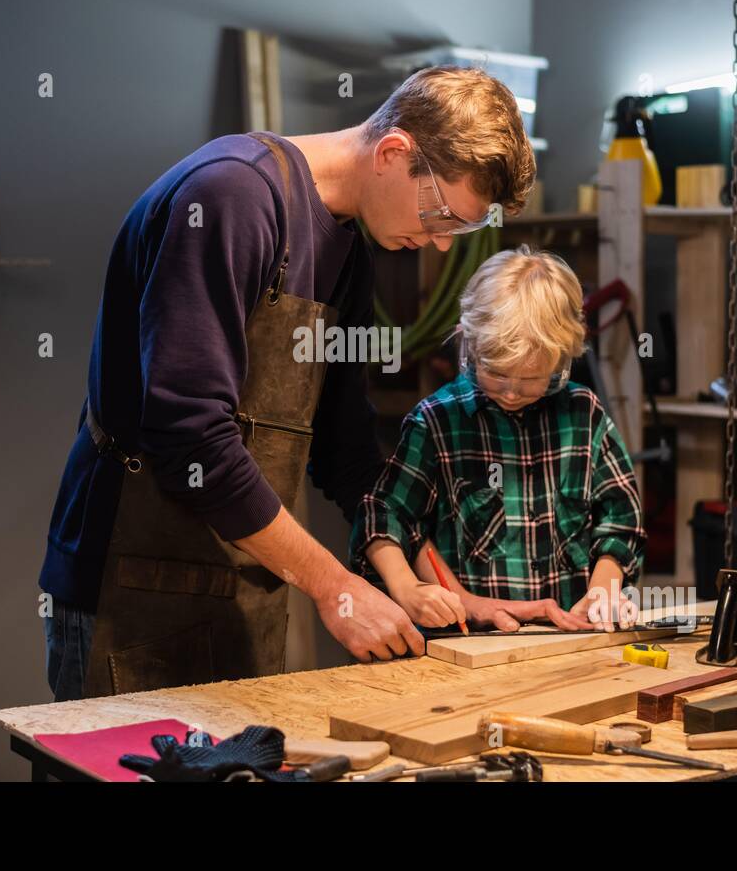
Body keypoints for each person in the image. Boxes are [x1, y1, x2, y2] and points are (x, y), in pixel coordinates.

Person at [40, 65, 538, 700]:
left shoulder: (350, 253)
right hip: (127, 586)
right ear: (393, 152)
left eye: (461, 229)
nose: (442, 244)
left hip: (246, 587)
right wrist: (337, 588)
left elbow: (347, 451)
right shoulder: (231, 197)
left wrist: (422, 575)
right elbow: (190, 436)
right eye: (443, 214)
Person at [351, 245, 645, 634]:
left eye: (529, 380)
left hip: (569, 638)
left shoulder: (583, 414)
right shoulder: (437, 421)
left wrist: (603, 590)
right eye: (496, 374)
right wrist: (408, 589)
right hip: (470, 643)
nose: (510, 392)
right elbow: (382, 516)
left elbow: (621, 521)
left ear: (560, 359)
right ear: (471, 348)